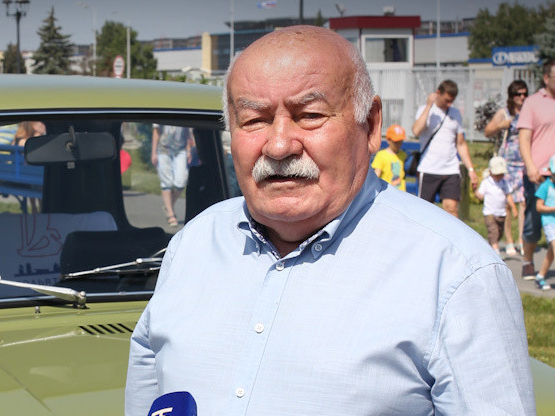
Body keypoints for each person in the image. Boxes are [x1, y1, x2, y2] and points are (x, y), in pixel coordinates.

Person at [125, 25, 533, 415]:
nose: (279, 145)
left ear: (370, 125)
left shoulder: (455, 273)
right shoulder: (194, 244)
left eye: (309, 115)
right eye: (254, 120)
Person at [518, 58, 555, 280]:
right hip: (539, 175)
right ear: (546, 78)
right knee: (533, 221)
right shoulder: (532, 103)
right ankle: (528, 262)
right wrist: (530, 166)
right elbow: (524, 138)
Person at [411, 80, 479, 217]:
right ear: (438, 93)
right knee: (425, 211)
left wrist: (471, 170)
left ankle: (452, 232)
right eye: (446, 100)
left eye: (451, 101)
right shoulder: (426, 110)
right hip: (429, 168)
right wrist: (429, 106)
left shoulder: (455, 113)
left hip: (450, 169)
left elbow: (461, 143)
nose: (449, 104)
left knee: (451, 208)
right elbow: (416, 131)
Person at [485, 79, 529, 255]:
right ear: (511, 96)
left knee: (523, 202)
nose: (522, 97)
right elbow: (488, 131)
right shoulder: (504, 113)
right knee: (508, 204)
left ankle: (522, 240)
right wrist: (501, 125)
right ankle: (509, 240)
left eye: (524, 94)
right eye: (518, 94)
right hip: (506, 163)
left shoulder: (529, 112)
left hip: (524, 162)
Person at [532, 154, 555, 294]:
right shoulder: (545, 186)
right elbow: (539, 207)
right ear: (550, 171)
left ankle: (540, 276)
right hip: (550, 222)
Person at [151, 124, 192, 227]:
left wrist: (188, 149)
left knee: (181, 181)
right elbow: (156, 131)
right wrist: (153, 152)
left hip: (181, 149)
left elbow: (186, 131)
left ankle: (168, 204)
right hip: (163, 150)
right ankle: (170, 213)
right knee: (166, 183)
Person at [474, 156, 517, 254]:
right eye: (496, 174)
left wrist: (514, 208)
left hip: (501, 213)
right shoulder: (486, 182)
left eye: (501, 174)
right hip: (490, 213)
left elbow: (508, 195)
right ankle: (496, 252)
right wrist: (475, 190)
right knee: (494, 232)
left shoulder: (504, 183)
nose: (499, 176)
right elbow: (480, 196)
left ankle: (491, 248)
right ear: (490, 172)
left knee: (499, 233)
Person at [371, 124, 406, 191]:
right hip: (387, 191)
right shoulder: (381, 155)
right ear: (388, 140)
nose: (398, 144)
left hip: (401, 191)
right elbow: (377, 173)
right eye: (396, 142)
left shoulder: (403, 155)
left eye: (400, 141)